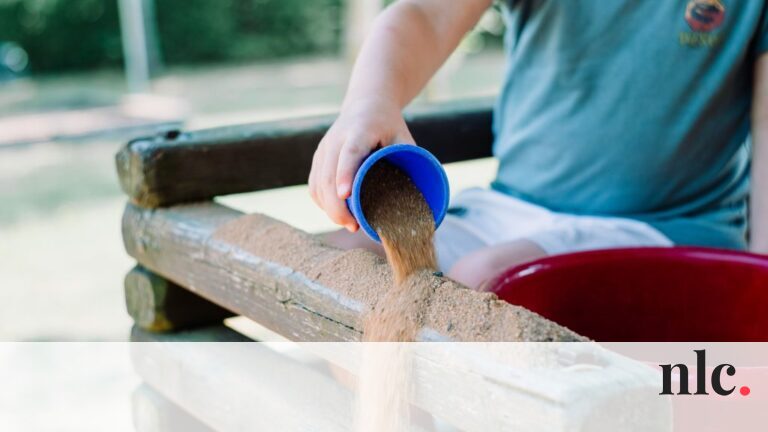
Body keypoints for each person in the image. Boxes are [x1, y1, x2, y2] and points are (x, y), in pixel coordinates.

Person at [308, 0, 768, 289]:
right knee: (343, 264)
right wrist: (371, 101)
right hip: (509, 208)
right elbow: (428, 15)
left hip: (664, 225)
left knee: (487, 279)